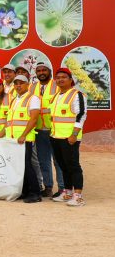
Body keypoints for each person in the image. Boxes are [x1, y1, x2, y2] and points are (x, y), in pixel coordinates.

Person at [0, 75, 42, 203]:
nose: (18, 86)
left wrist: (24, 135)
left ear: (27, 84)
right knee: (18, 166)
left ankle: (35, 192)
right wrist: (0, 135)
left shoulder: (33, 98)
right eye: (16, 83)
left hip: (24, 139)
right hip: (12, 139)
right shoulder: (14, 100)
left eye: (21, 83)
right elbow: (9, 121)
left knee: (27, 165)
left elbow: (34, 118)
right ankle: (24, 191)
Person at [48, 68, 86, 206]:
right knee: (63, 165)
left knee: (73, 166)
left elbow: (81, 115)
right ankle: (67, 193)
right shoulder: (56, 96)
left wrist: (74, 134)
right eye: (57, 77)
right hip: (55, 136)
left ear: (70, 80)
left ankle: (78, 196)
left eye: (63, 77)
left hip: (69, 138)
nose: (60, 79)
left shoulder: (76, 95)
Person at [30, 61, 64, 198]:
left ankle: (62, 188)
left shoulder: (58, 85)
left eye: (44, 70)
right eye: (39, 71)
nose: (41, 73)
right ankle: (48, 187)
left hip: (54, 129)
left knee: (58, 160)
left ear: (49, 71)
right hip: (39, 129)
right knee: (43, 160)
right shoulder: (32, 88)